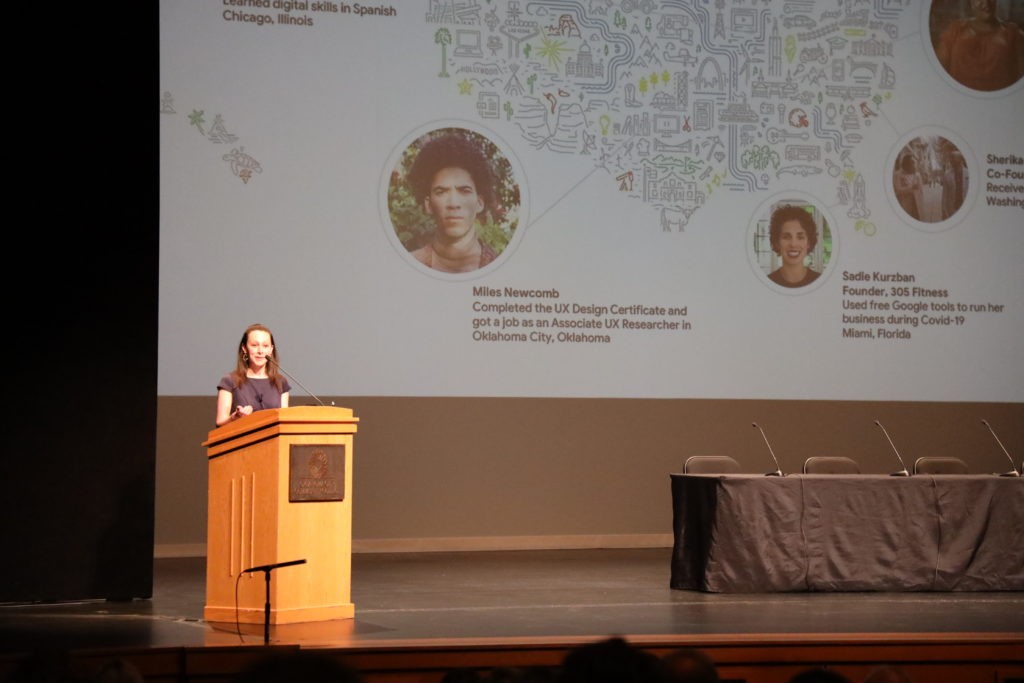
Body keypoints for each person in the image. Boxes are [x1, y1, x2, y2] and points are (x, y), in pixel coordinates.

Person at [405, 133, 498, 273]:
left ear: (479, 203)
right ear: (428, 205)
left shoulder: (502, 269)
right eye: (441, 192)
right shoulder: (407, 266)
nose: (454, 203)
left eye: (464, 190)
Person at [936, 0, 1024, 91]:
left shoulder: (1013, 33)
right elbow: (938, 73)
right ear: (970, 2)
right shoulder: (955, 30)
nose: (986, 3)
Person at [216, 323, 290, 426]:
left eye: (265, 346)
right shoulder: (229, 381)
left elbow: (284, 422)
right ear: (244, 348)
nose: (260, 351)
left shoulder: (281, 382)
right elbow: (220, 422)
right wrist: (235, 417)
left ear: (271, 349)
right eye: (254, 345)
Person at [767, 205, 821, 288]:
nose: (793, 244)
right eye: (786, 237)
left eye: (800, 237)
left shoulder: (820, 281)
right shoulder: (768, 283)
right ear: (777, 243)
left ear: (809, 243)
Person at [893, 156, 923, 220]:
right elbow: (897, 190)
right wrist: (911, 188)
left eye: (914, 163)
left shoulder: (917, 175)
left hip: (916, 204)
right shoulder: (898, 174)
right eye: (912, 163)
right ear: (906, 164)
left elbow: (920, 190)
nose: (914, 165)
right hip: (904, 204)